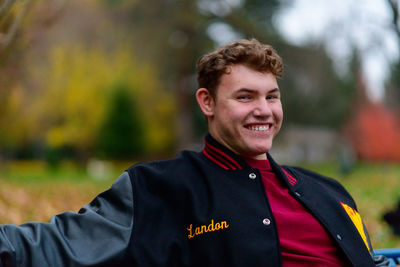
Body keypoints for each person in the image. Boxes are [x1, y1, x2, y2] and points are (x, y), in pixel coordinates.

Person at [0, 39, 389, 266]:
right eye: (245, 97)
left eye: (271, 96)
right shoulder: (158, 189)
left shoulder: (328, 191)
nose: (264, 110)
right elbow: (60, 246)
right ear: (207, 102)